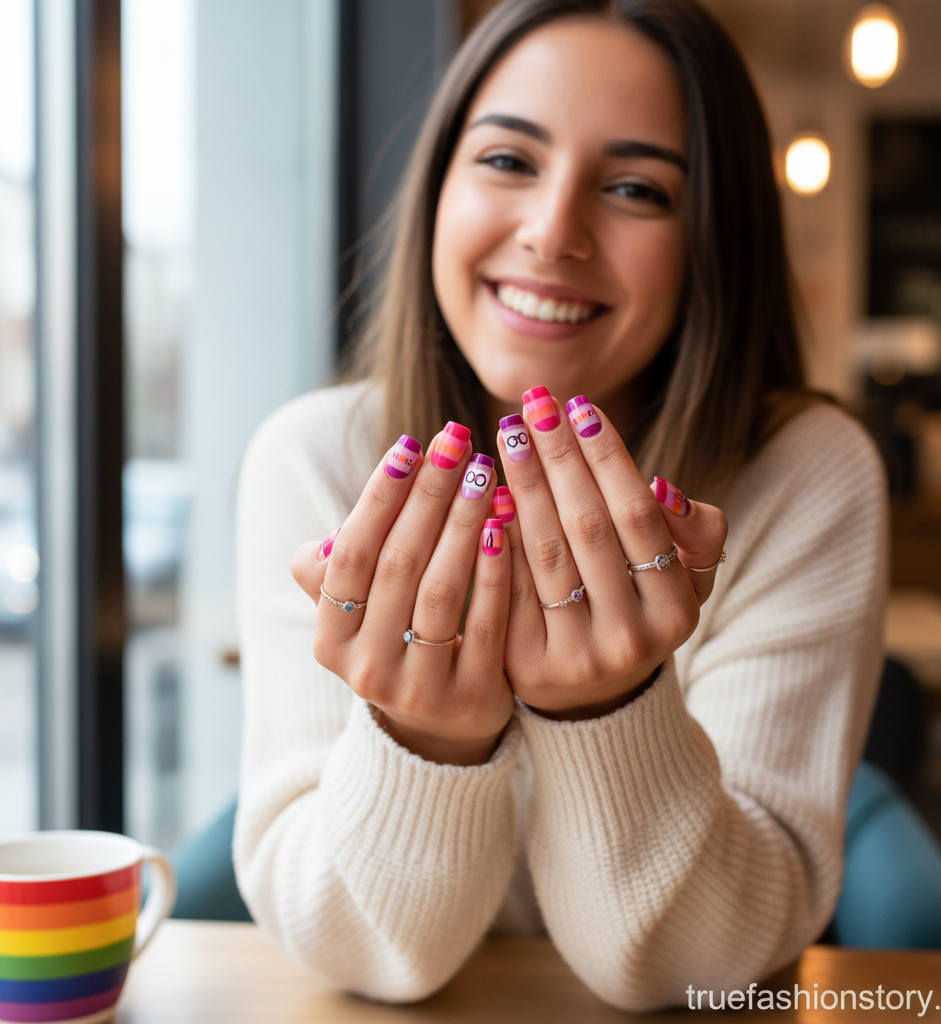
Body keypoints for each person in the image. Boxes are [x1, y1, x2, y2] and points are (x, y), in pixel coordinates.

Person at [233, 0, 887, 1011]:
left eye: (634, 187)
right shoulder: (316, 460)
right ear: (438, 186)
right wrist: (427, 739)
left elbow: (694, 968)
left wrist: (605, 706)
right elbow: (362, 957)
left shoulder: (805, 469)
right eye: (505, 161)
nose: (551, 232)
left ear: (714, 234)